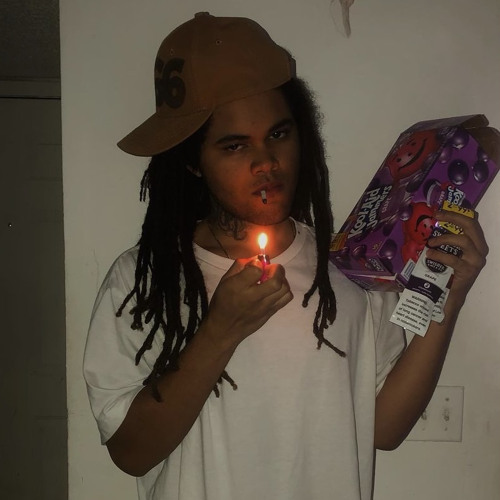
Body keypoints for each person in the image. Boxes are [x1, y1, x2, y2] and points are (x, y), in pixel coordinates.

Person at [83, 12, 489, 500]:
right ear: (192, 161)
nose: (266, 162)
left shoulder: (348, 269)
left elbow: (384, 429)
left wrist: (447, 298)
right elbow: (130, 452)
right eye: (235, 146)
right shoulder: (142, 280)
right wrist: (220, 330)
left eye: (278, 134)